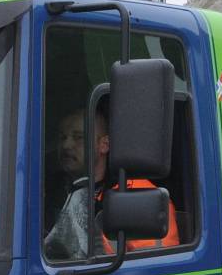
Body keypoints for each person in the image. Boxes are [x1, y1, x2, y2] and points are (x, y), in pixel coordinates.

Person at [44, 103, 178, 261]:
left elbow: (156, 267)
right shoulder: (46, 191)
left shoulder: (137, 195)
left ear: (104, 144)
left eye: (78, 137)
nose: (66, 145)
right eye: (62, 137)